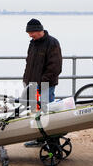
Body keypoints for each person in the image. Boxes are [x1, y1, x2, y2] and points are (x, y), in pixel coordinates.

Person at [23, 18, 63, 147]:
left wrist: (42, 82)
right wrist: (26, 80)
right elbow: (28, 63)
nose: (30, 35)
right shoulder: (33, 43)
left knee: (47, 114)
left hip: (46, 85)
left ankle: (51, 141)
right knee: (36, 114)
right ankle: (38, 139)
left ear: (38, 30)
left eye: (31, 33)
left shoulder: (52, 43)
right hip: (32, 85)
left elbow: (55, 67)